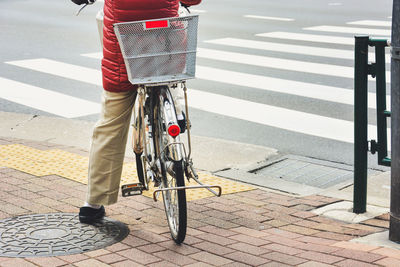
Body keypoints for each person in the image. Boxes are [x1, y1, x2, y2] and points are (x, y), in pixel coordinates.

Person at [70, 0, 201, 224]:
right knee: (170, 77)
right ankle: (175, 111)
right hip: (164, 44)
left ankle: (93, 202)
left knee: (111, 124)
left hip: (125, 55)